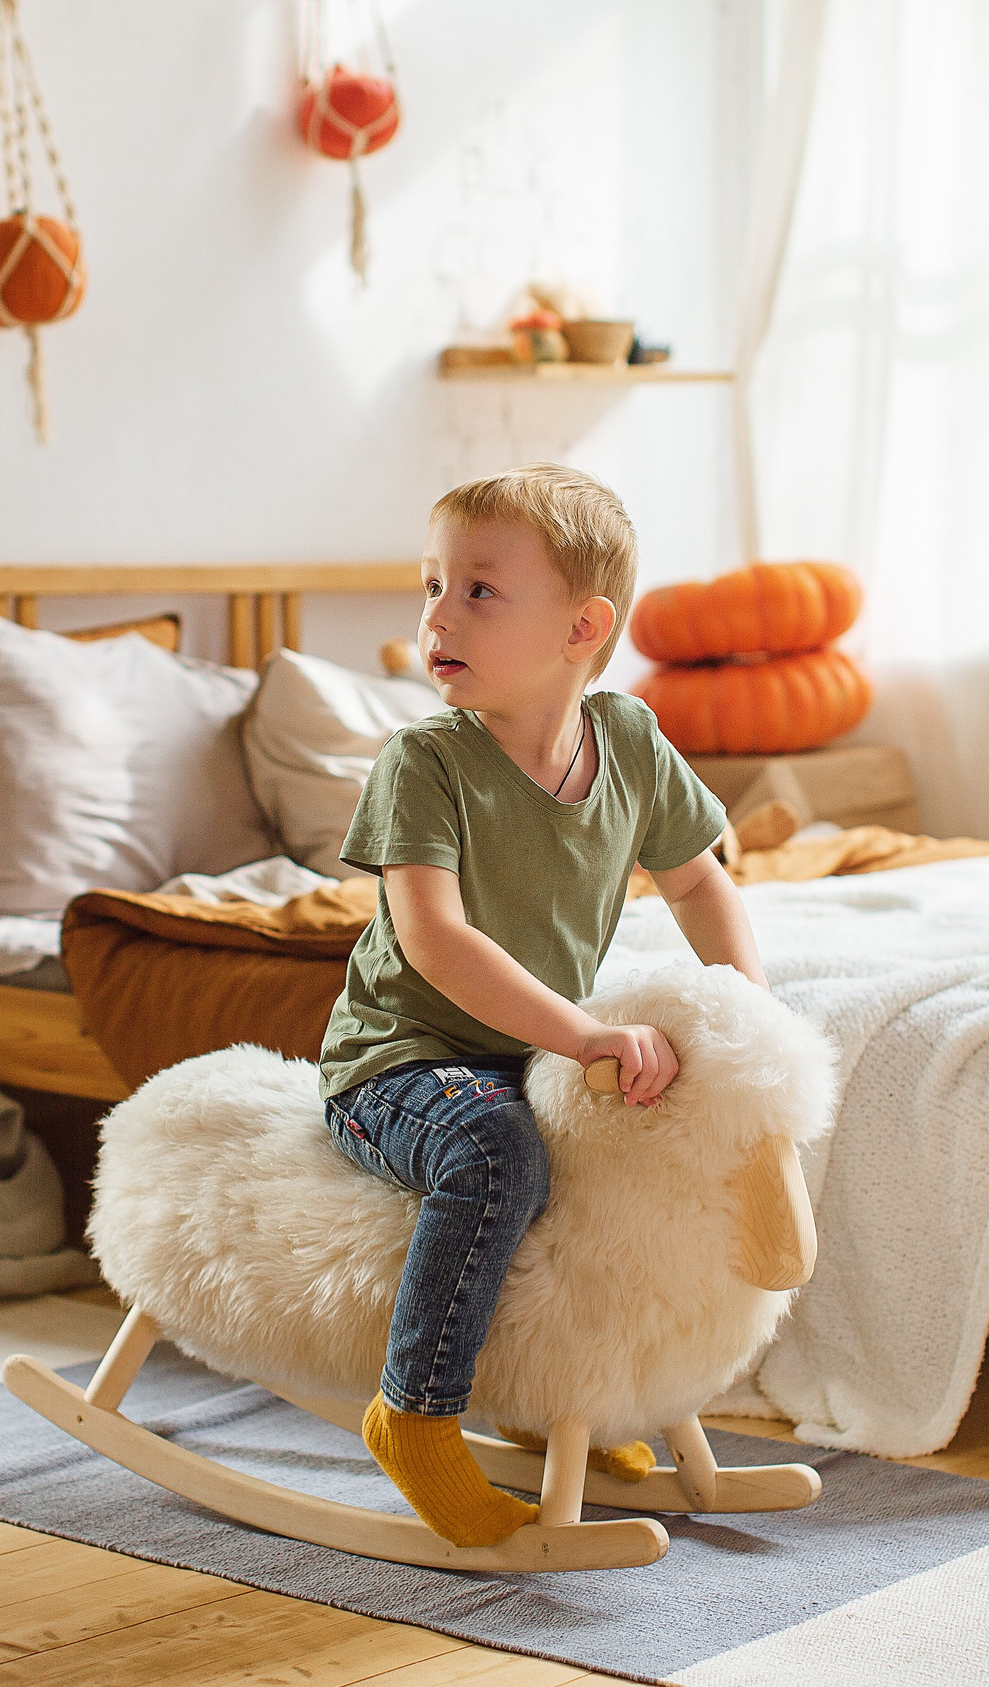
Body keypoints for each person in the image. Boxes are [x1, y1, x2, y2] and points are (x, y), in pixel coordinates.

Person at [317, 463, 769, 1546]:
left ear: (583, 627)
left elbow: (702, 878)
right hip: (402, 1062)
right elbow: (434, 939)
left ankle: (583, 1398)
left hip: (529, 1055)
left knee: (619, 1164)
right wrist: (583, 1035)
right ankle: (415, 1416)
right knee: (496, 1153)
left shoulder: (628, 741)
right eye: (430, 586)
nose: (436, 615)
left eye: (477, 590)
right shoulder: (424, 760)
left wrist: (748, 1016)